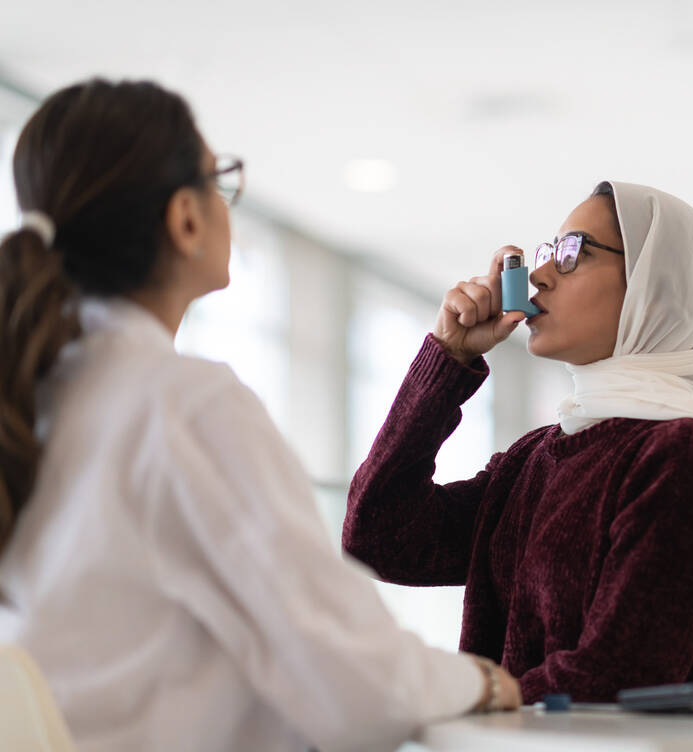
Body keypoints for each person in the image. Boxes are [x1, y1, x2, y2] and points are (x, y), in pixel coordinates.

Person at [0, 78, 519, 752]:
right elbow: (356, 686)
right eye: (221, 179)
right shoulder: (181, 404)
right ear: (185, 219)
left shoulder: (34, 399)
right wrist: (481, 682)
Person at [344, 180, 693, 703]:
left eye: (571, 253)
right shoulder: (533, 458)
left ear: (655, 286)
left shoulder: (685, 456)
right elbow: (379, 539)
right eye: (546, 253)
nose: (536, 277)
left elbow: (620, 678)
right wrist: (448, 358)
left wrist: (463, 697)